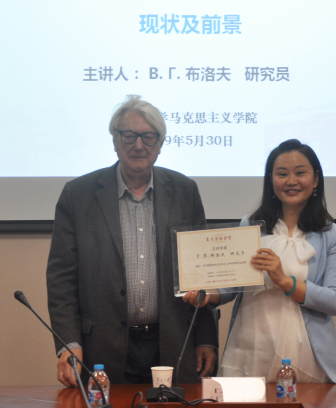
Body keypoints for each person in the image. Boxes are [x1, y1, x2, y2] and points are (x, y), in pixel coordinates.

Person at [47, 95, 217, 387]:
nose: (139, 145)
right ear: (115, 140)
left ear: (160, 144)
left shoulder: (184, 191)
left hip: (172, 342)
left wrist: (205, 338)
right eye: (129, 135)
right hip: (101, 346)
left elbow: (201, 271)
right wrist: (69, 343)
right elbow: (61, 278)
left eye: (149, 137)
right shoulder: (78, 195)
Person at [185, 139, 336, 383]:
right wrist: (207, 293)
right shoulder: (250, 225)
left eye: (300, 173)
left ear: (315, 179)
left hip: (305, 352)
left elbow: (335, 301)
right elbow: (232, 286)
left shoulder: (333, 235)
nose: (291, 181)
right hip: (251, 345)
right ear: (271, 180)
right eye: (282, 174)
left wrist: (285, 281)